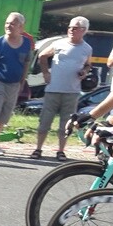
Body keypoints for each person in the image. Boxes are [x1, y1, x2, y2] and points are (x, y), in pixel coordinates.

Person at [30, 16, 92, 161]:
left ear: (83, 30)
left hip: (72, 91)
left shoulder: (87, 48)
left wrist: (85, 72)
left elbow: (88, 64)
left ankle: (61, 151)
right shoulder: (59, 43)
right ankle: (38, 149)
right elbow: (43, 55)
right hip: (53, 89)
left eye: (75, 28)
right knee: (45, 121)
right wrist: (45, 72)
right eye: (70, 27)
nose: (71, 30)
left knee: (66, 123)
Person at [0, 12, 33, 156]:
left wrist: (22, 82)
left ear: (21, 27)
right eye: (7, 23)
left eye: (12, 23)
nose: (8, 26)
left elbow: (26, 63)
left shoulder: (26, 43)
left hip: (15, 84)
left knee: (5, 116)